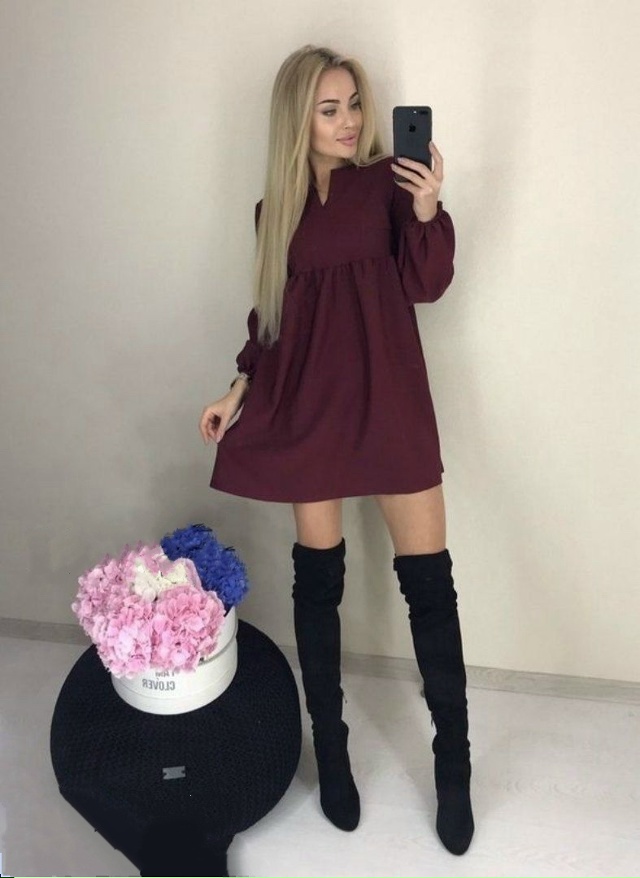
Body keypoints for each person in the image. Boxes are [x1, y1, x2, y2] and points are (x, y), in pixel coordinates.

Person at [199, 45, 474, 856]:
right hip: (310, 411)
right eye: (330, 109)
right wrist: (237, 390)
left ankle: (454, 766)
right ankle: (334, 751)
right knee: (316, 585)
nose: (350, 121)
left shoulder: (389, 183)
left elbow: (425, 285)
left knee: (430, 588)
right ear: (299, 119)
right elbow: (271, 321)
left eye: (354, 104)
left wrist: (427, 211)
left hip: (391, 406)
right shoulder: (274, 211)